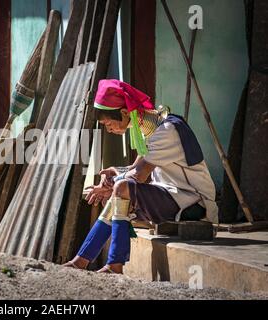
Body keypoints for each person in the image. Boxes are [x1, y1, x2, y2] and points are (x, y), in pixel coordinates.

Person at [64, 80, 218, 274]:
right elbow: (136, 169)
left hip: (194, 202)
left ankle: (107, 263)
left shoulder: (167, 132)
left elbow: (139, 175)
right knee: (119, 194)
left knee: (121, 190)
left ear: (124, 113)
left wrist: (113, 184)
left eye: (108, 123)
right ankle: (85, 261)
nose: (109, 129)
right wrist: (116, 173)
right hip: (173, 196)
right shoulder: (153, 130)